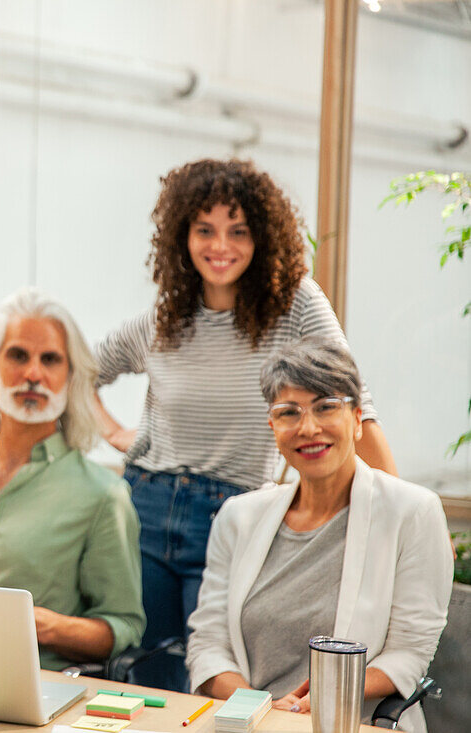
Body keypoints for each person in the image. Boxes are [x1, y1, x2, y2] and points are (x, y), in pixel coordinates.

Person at [94, 158, 397, 690]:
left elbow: (354, 400)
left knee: (215, 673)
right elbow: (79, 371)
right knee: (142, 676)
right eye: (205, 230)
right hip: (144, 505)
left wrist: (403, 511)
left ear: (262, 238)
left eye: (238, 232)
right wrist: (117, 433)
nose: (220, 246)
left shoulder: (296, 304)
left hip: (233, 513)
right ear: (181, 237)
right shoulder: (165, 317)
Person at [186, 338, 452, 733]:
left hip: (354, 722)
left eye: (326, 407)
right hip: (250, 723)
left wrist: (329, 695)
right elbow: (208, 645)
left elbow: (409, 654)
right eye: (288, 412)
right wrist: (260, 707)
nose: (308, 428)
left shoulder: (413, 512)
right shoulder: (238, 516)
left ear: (358, 417)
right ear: (272, 425)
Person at [0, 288, 144, 672]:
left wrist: (47, 627)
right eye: (18, 355)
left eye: (50, 360)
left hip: (30, 689)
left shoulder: (103, 495)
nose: (33, 374)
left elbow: (123, 626)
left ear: (70, 376)